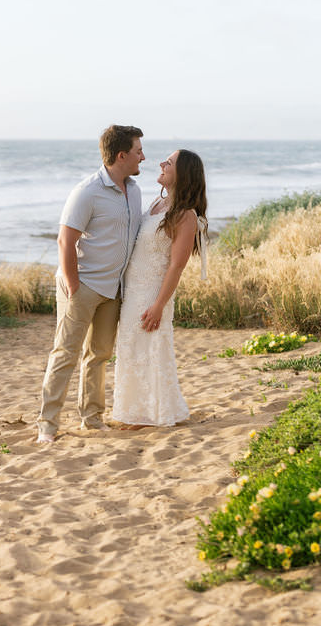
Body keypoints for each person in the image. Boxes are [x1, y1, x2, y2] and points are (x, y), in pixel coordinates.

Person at [36, 125, 145, 444]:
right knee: (65, 354)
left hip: (114, 290)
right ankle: (47, 424)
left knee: (98, 354)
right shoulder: (87, 191)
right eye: (139, 151)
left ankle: (92, 417)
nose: (143, 156)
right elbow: (64, 240)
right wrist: (72, 285)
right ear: (121, 155)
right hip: (82, 287)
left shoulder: (135, 190)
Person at [111, 149, 208, 428]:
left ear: (184, 174)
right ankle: (133, 411)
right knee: (131, 349)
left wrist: (159, 305)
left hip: (154, 293)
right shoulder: (155, 203)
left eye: (170, 162)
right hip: (133, 292)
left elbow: (176, 266)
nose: (162, 164)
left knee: (151, 349)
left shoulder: (185, 216)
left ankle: (154, 413)